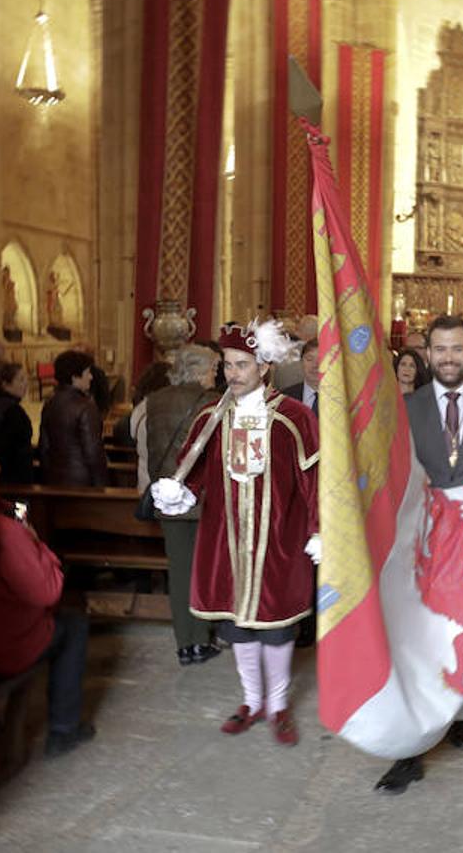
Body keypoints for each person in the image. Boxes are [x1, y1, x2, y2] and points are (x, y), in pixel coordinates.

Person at [151, 320, 318, 748]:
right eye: (227, 365)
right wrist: (180, 491)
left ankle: (279, 705)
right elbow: (196, 468)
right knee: (239, 627)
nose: (233, 373)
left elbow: (314, 479)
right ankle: (252, 700)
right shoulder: (212, 415)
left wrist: (320, 530)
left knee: (277, 628)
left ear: (264, 366)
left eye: (242, 365)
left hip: (278, 539)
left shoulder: (294, 416)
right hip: (227, 539)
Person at [379, 315, 463, 794]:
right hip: (420, 546)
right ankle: (409, 749)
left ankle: (459, 714)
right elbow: (390, 481)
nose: (448, 358)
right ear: (427, 355)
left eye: (457, 349)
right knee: (415, 640)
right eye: (439, 349)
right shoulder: (404, 408)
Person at [0, 431, 94, 757]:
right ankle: (63, 730)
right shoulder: (5, 530)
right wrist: (35, 542)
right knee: (74, 625)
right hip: (5, 641)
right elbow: (47, 591)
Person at [131, 344, 222, 665]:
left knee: (180, 570)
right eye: (212, 368)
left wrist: (165, 486)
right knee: (203, 571)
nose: (215, 374)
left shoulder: (155, 400)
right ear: (198, 371)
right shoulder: (211, 402)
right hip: (203, 499)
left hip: (168, 498)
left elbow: (155, 452)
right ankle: (202, 639)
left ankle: (185, 644)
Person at [39, 349, 109, 487]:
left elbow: (44, 447)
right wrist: (102, 485)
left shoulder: (50, 403)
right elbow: (93, 452)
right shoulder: (85, 406)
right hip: (82, 481)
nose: (91, 377)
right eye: (87, 372)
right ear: (74, 377)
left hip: (55, 480)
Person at [281, 338, 320, 412]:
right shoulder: (284, 398)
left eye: (321, 359)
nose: (315, 365)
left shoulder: (344, 397)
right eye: (309, 359)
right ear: (301, 362)